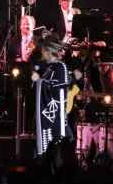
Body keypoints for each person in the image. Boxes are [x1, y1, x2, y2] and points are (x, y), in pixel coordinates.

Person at [31, 37, 81, 172]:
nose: (42, 53)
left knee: (60, 140)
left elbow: (61, 89)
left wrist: (43, 83)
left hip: (56, 113)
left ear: (49, 51)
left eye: (44, 50)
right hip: (43, 112)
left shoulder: (60, 67)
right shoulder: (42, 66)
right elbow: (33, 79)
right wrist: (36, 77)